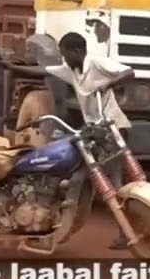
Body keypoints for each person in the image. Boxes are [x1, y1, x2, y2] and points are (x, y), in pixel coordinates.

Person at [44, 31, 136, 250]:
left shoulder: (96, 62)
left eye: (65, 54)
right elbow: (43, 71)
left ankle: (127, 231)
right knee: (81, 176)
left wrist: (108, 84)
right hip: (93, 132)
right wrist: (9, 66)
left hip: (112, 129)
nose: (63, 59)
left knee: (113, 184)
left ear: (77, 51)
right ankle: (62, 225)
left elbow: (128, 72)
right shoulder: (71, 71)